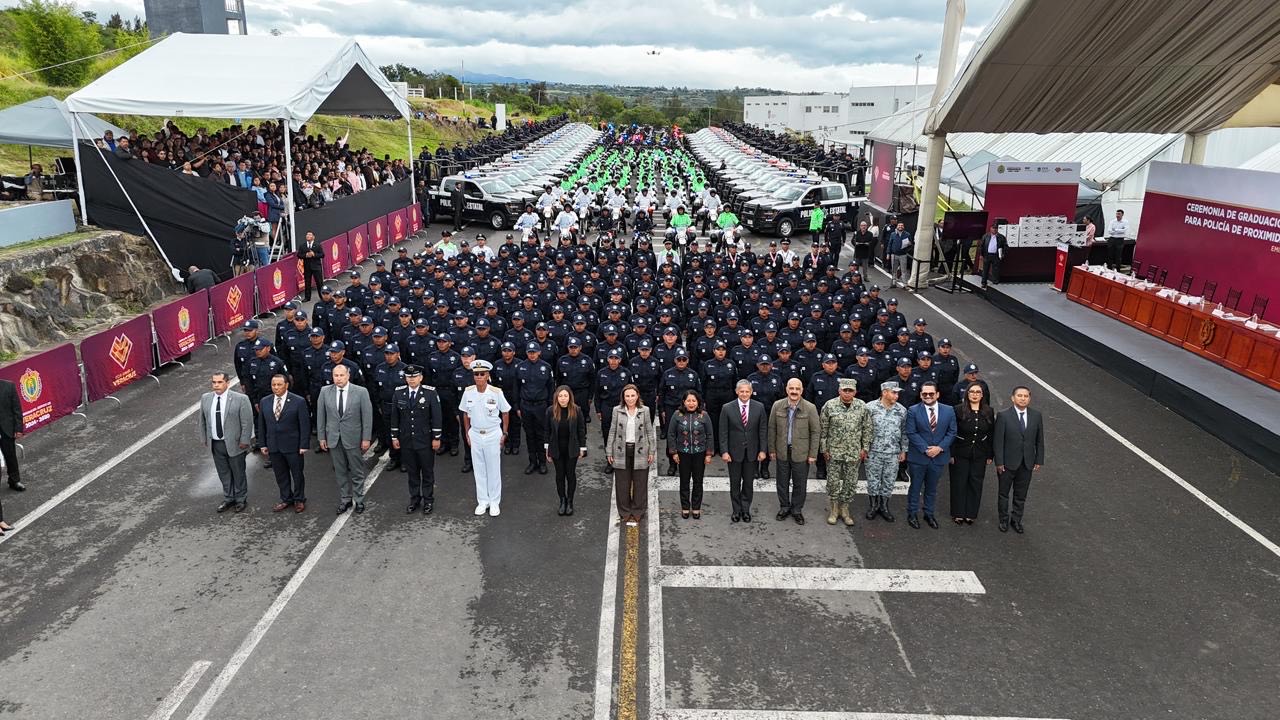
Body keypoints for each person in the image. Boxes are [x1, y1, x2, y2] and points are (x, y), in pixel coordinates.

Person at [317, 364, 374, 514]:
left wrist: (366, 438)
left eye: (341, 375)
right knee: (340, 471)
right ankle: (345, 499)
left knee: (356, 470)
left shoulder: (361, 392)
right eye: (336, 376)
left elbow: (367, 417)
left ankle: (359, 499)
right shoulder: (324, 391)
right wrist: (321, 437)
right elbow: (321, 416)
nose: (338, 378)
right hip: (334, 438)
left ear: (348, 375)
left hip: (353, 438)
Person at [460, 359, 512, 517]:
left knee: (493, 469)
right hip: (475, 434)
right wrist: (467, 433)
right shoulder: (468, 392)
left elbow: (505, 412)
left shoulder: (496, 392)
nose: (479, 377)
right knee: (479, 469)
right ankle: (483, 501)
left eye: (482, 374)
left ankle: (495, 501)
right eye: (476, 374)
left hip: (492, 434)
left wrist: (504, 433)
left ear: (488, 375)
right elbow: (465, 413)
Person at [819, 378, 872, 526]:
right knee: (833, 482)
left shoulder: (862, 406)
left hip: (854, 452)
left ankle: (845, 509)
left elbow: (867, 428)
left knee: (850, 482)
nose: (847, 393)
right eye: (844, 390)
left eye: (850, 390)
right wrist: (824, 449)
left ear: (855, 392)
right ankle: (834, 509)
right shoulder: (829, 405)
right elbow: (823, 429)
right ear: (839, 390)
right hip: (834, 451)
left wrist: (865, 448)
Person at [390, 365, 443, 514]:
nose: (411, 379)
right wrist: (394, 436)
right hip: (407, 440)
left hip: (425, 440)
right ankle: (414, 499)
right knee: (412, 472)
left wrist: (436, 437)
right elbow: (395, 417)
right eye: (409, 377)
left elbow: (437, 417)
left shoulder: (430, 393)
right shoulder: (399, 393)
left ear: (421, 378)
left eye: (414, 377)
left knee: (427, 472)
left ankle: (428, 500)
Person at [904, 381, 957, 530]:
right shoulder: (913, 410)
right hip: (919, 457)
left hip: (938, 457)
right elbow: (911, 432)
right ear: (921, 395)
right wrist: (926, 449)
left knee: (932, 488)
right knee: (915, 487)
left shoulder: (949, 410)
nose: (928, 396)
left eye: (931, 393)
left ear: (937, 394)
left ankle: (929, 513)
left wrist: (939, 448)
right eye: (924, 394)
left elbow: (952, 432)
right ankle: (912, 513)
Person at [198, 372, 254, 513]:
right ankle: (229, 498)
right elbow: (202, 420)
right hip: (216, 443)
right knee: (223, 472)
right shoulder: (206, 398)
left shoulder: (241, 399)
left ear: (227, 383)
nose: (216, 385)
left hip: (236, 443)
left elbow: (247, 422)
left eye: (220, 382)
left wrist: (245, 440)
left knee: (238, 472)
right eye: (214, 382)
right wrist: (204, 438)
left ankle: (240, 499)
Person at [768, 378, 821, 525]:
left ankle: (797, 510)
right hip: (782, 451)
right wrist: (772, 449)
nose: (794, 391)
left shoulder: (810, 408)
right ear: (786, 389)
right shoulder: (777, 405)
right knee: (782, 482)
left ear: (802, 391)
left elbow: (815, 432)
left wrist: (813, 454)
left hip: (801, 453)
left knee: (800, 483)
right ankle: (784, 507)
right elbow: (772, 429)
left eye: (797, 389)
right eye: (791, 388)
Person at [993, 386, 1045, 534]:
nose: (1023, 398)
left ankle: (1016, 520)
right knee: (1003, 493)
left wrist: (1038, 460)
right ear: (1013, 398)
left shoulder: (1036, 416)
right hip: (1007, 463)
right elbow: (998, 441)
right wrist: (999, 462)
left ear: (1029, 398)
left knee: (1021, 494)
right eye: (1020, 396)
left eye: (1026, 396)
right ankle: (1003, 520)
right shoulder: (1003, 416)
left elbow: (1039, 440)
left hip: (1027, 463)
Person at [256, 374, 309, 513]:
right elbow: (262, 424)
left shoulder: (298, 401)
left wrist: (304, 445)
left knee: (297, 474)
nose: (276, 387)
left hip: (293, 446)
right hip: (274, 445)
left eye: (279, 385)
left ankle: (299, 499)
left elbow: (304, 424)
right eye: (273, 385)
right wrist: (263, 444)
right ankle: (286, 498)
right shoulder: (265, 401)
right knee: (280, 474)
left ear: (286, 385)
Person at [606, 384, 656, 527]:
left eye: (632, 395)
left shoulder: (645, 410)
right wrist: (609, 451)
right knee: (622, 482)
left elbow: (649, 431)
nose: (630, 399)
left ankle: (638, 511)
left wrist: (651, 451)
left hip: (641, 450)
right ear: (623, 397)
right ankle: (625, 511)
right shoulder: (617, 410)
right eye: (627, 396)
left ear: (637, 396)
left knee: (640, 482)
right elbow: (612, 431)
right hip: (621, 450)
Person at [718, 379, 767, 524]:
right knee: (735, 483)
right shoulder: (727, 408)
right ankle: (736, 510)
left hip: (752, 452)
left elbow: (762, 430)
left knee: (748, 483)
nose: (744, 394)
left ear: (751, 392)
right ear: (736, 392)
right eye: (741, 391)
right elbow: (723, 432)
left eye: (747, 391)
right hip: (733, 453)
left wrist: (763, 450)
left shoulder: (759, 407)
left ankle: (745, 510)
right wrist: (724, 451)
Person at [950, 383, 994, 525]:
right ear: (967, 394)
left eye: (978, 392)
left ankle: (971, 513)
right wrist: (951, 454)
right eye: (972, 392)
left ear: (982, 395)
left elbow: (991, 433)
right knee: (959, 482)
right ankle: (958, 513)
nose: (975, 394)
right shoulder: (957, 410)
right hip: (960, 452)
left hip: (980, 453)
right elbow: (952, 432)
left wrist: (990, 455)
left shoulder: (988, 411)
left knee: (976, 482)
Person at [666, 389, 714, 520]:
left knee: (698, 481)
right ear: (684, 402)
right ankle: (685, 507)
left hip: (700, 453)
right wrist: (674, 452)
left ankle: (696, 507)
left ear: (698, 402)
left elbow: (710, 435)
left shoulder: (704, 415)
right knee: (684, 481)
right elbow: (671, 434)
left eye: (694, 401)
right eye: (688, 401)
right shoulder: (677, 415)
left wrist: (708, 454)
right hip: (683, 453)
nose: (691, 403)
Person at [864, 380, 909, 522]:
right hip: (874, 452)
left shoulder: (901, 410)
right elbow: (864, 429)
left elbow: (904, 432)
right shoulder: (870, 408)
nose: (896, 396)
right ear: (884, 392)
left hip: (893, 452)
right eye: (893, 392)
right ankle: (873, 506)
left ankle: (884, 506)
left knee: (889, 481)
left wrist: (903, 450)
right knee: (873, 480)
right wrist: (864, 448)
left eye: (897, 393)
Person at [545, 385, 587, 516]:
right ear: (556, 397)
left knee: (570, 475)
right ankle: (562, 501)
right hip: (556, 449)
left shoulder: (576, 410)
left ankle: (570, 501)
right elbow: (547, 431)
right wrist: (547, 450)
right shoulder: (550, 411)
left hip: (571, 449)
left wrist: (582, 448)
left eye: (565, 396)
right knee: (559, 475)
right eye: (560, 396)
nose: (563, 399)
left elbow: (581, 430)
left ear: (570, 397)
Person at [1, 378, 26, 495]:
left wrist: (18, 429)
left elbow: (17, 409)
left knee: (10, 456)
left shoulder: (9, 386)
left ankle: (14, 480)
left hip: (6, 429)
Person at [980, 223, 1007, 288]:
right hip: (987, 255)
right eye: (993, 228)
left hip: (996, 256)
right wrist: (981, 254)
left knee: (996, 269)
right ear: (990, 228)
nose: (994, 229)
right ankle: (983, 283)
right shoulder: (985, 236)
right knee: (985, 270)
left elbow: (1005, 246)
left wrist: (1003, 253)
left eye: (996, 228)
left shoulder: (1001, 237)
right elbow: (981, 246)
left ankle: (995, 282)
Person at [299, 231, 324, 301]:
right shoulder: (302, 246)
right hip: (307, 267)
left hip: (316, 267)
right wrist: (305, 255)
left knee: (319, 282)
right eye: (307, 234)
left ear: (313, 237)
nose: (308, 236)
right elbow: (299, 255)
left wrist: (314, 254)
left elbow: (322, 255)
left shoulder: (318, 245)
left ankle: (322, 297)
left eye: (310, 235)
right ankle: (307, 297)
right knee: (307, 282)